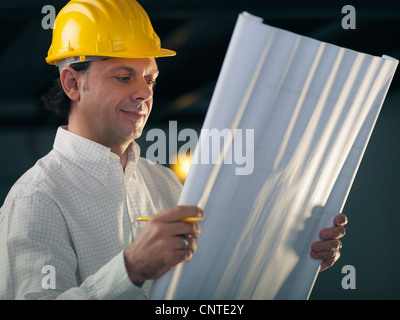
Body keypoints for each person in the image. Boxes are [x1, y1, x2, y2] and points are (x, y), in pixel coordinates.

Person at [0, 0, 347, 300]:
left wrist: (293, 256)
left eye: (149, 79)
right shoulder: (36, 199)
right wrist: (130, 269)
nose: (144, 93)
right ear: (73, 83)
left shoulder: (165, 183)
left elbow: (207, 288)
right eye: (124, 77)